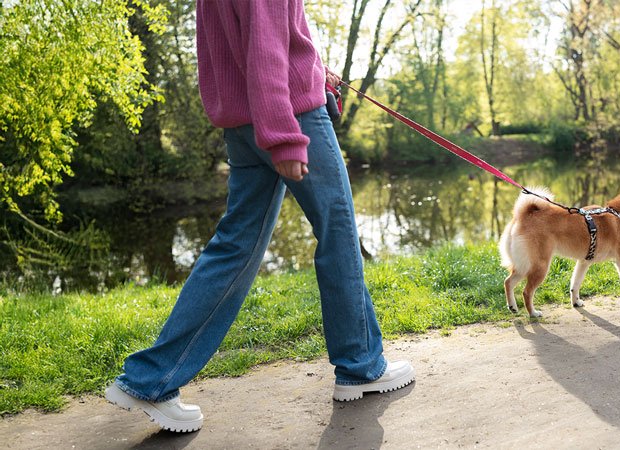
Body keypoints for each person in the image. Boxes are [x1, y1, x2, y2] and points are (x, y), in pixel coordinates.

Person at [104, 0, 414, 433]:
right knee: (338, 233)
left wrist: (313, 70)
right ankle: (360, 366)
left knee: (235, 247)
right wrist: (283, 135)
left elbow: (245, 40)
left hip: (243, 122)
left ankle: (149, 379)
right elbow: (265, 48)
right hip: (290, 116)